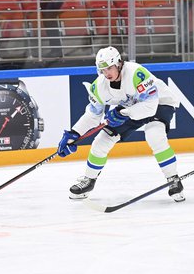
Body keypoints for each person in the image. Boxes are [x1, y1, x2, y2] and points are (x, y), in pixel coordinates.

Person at [57, 46, 185, 202]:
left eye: (109, 68)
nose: (107, 73)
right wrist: (74, 133)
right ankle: (89, 180)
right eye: (102, 70)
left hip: (159, 104)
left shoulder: (136, 73)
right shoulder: (98, 87)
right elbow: (93, 114)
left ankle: (173, 178)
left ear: (118, 63)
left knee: (154, 135)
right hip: (129, 108)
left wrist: (122, 113)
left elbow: (150, 107)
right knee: (101, 141)